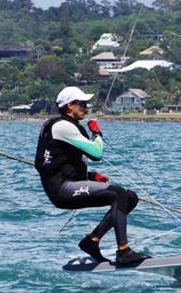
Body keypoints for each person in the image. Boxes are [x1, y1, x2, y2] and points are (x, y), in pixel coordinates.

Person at [35, 86, 148, 266]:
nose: (86, 108)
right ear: (70, 105)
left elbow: (63, 161)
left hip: (68, 184)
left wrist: (91, 176)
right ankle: (124, 251)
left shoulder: (62, 125)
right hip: (61, 190)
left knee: (130, 198)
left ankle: (92, 241)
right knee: (118, 193)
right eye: (82, 104)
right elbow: (96, 153)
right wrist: (97, 133)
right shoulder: (62, 126)